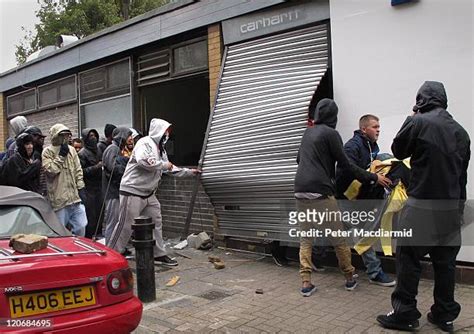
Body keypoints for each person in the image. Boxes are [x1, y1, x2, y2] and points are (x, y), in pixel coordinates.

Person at [377, 81, 470, 332]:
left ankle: (404, 313)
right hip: (450, 210)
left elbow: (398, 149)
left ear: (421, 99)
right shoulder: (462, 132)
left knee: (408, 258)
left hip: (421, 208)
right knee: (445, 264)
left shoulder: (418, 121)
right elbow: (462, 177)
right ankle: (445, 315)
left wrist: (411, 119)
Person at [294, 98, 391, 296]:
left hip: (300, 189)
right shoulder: (331, 134)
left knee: (306, 238)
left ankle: (306, 283)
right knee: (339, 238)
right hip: (321, 191)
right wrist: (374, 177)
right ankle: (349, 278)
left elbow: (298, 159)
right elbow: (346, 165)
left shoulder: (308, 132)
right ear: (333, 116)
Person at [107, 118, 199, 266]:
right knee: (125, 225)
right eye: (166, 132)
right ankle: (111, 255)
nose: (167, 135)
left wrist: (189, 172)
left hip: (149, 193)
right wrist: (164, 165)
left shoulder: (160, 149)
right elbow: (144, 161)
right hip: (132, 191)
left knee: (156, 222)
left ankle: (158, 254)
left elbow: (171, 169)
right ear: (159, 132)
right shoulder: (145, 143)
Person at [335, 114, 396, 287]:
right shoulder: (352, 147)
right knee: (362, 235)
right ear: (364, 129)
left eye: (379, 126)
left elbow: (369, 168)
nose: (378, 129)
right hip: (348, 199)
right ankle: (374, 273)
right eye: (375, 126)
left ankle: (316, 251)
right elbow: (351, 171)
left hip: (358, 199)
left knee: (342, 232)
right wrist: (374, 178)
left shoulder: (371, 145)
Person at [42, 124, 87, 237]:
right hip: (59, 200)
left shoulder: (71, 150)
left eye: (67, 135)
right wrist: (61, 156)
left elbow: (78, 169)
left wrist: (81, 187)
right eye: (62, 135)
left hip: (74, 199)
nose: (66, 137)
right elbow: (51, 171)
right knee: (60, 232)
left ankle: (78, 248)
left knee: (81, 225)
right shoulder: (47, 152)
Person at [102, 127, 132, 244]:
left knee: (117, 221)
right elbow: (112, 167)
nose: (130, 139)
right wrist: (126, 169)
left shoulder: (117, 149)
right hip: (112, 192)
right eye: (127, 136)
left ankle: (117, 246)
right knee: (113, 222)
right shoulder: (113, 148)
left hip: (116, 191)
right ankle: (110, 247)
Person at [78, 128, 103, 239]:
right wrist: (95, 167)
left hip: (99, 186)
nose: (93, 138)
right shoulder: (82, 154)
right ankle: (89, 236)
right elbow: (81, 172)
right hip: (88, 189)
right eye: (90, 136)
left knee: (100, 213)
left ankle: (99, 234)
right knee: (90, 215)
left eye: (94, 135)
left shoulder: (98, 150)